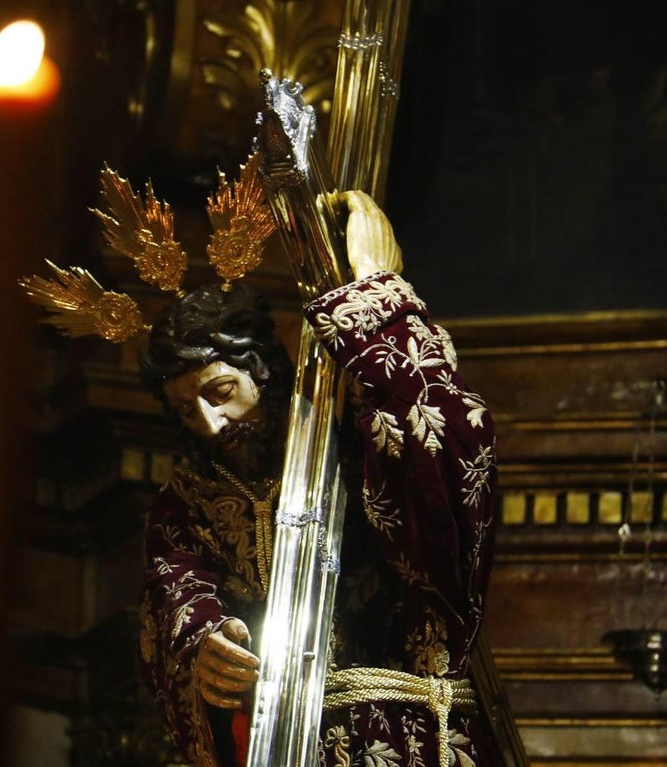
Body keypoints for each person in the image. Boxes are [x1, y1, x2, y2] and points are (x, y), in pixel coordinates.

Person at [137, 191, 502, 767]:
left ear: (261, 371)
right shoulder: (186, 507)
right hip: (281, 747)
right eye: (186, 410)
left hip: (408, 737)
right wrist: (204, 642)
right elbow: (176, 595)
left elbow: (447, 456)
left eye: (220, 392)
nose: (210, 423)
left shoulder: (356, 448)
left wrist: (376, 300)